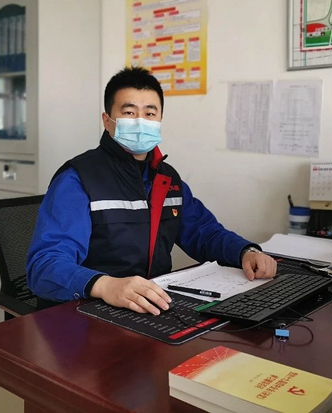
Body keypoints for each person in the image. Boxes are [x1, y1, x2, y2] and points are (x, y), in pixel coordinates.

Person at [26, 67, 277, 315]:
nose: (140, 121)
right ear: (107, 121)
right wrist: (105, 286)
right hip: (87, 310)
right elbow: (45, 265)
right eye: (129, 112)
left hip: (151, 306)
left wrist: (246, 252)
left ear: (159, 120)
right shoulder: (79, 178)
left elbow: (205, 233)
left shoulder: (167, 179)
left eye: (149, 113)